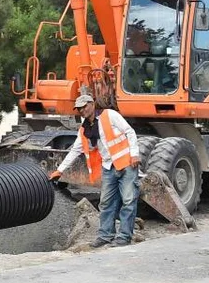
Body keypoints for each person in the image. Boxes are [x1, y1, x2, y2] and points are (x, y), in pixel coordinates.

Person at [49, 94, 142, 247]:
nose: (82, 110)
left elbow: (129, 132)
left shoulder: (110, 115)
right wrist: (60, 170)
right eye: (79, 108)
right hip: (109, 167)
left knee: (128, 200)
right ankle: (105, 236)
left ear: (92, 104)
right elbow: (74, 151)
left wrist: (134, 154)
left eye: (85, 106)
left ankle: (124, 237)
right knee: (105, 203)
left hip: (126, 164)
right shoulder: (85, 129)